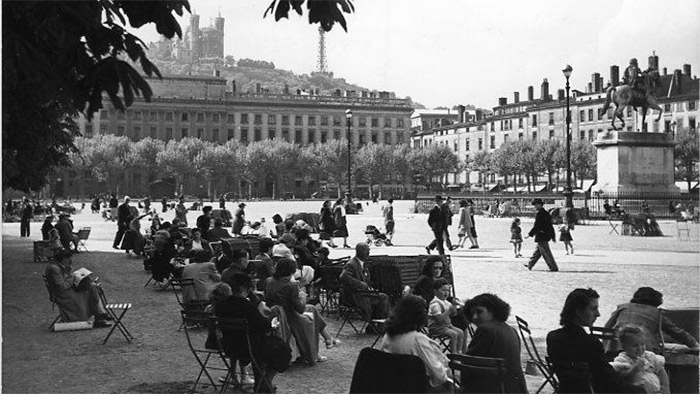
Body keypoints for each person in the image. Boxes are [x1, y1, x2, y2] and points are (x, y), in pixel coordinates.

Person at [547, 288, 645, 393]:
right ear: (579, 311)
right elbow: (609, 382)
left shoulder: (553, 337)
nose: (598, 314)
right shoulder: (589, 343)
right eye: (593, 309)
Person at [214, 275, 290, 393]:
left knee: (265, 346)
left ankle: (262, 383)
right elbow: (264, 326)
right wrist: (271, 318)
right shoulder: (246, 305)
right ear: (244, 288)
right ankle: (265, 382)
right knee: (282, 348)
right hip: (248, 347)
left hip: (229, 345)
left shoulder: (220, 305)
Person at [264, 258, 340, 365]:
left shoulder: (269, 281)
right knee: (312, 311)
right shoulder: (291, 285)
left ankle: (328, 338)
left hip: (276, 314)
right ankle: (324, 343)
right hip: (290, 316)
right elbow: (300, 309)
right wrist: (303, 298)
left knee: (312, 309)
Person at [379, 295, 452, 391]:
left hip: (393, 386)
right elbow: (439, 376)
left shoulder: (387, 336)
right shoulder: (417, 340)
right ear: (420, 315)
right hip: (417, 387)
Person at [603, 287, 699, 355]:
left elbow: (607, 327)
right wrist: (693, 343)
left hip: (614, 346)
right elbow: (675, 331)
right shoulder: (656, 312)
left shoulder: (623, 307)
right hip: (644, 349)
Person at [464, 293, 528, 393]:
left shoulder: (486, 329)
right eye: (472, 313)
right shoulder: (511, 330)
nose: (474, 317)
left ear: (493, 311)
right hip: (515, 387)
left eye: (479, 312)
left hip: (493, 387)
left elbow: (469, 362)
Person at [44, 250, 112, 327]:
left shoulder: (57, 265)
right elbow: (61, 287)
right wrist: (73, 278)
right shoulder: (54, 268)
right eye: (68, 259)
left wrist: (69, 271)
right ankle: (100, 315)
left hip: (65, 291)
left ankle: (100, 314)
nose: (70, 261)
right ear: (63, 258)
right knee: (92, 290)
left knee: (93, 287)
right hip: (63, 295)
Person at [611, 325, 670, 394]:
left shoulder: (649, 356)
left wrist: (665, 387)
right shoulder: (622, 360)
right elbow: (624, 379)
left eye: (642, 344)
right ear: (624, 346)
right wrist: (635, 368)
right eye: (635, 346)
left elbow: (661, 371)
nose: (640, 348)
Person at [339, 243, 390, 321]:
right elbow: (343, 277)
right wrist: (361, 284)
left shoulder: (362, 263)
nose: (369, 253)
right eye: (367, 251)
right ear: (360, 252)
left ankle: (377, 323)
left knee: (382, 297)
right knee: (383, 298)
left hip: (362, 293)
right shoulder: (352, 264)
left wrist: (369, 287)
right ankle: (379, 323)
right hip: (355, 296)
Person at [428, 278, 465, 354]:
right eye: (443, 290)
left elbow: (454, 314)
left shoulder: (446, 302)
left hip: (446, 326)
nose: (446, 292)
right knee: (453, 334)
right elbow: (439, 319)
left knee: (461, 332)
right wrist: (448, 311)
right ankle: (454, 354)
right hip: (436, 327)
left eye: (448, 290)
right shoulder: (435, 304)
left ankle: (459, 352)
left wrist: (454, 306)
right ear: (435, 292)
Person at [524, 198, 558, 271]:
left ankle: (553, 267)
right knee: (537, 252)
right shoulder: (546, 213)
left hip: (541, 235)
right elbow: (550, 226)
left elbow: (537, 226)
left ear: (539, 205)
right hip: (545, 235)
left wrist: (529, 234)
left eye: (536, 205)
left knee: (546, 253)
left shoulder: (539, 214)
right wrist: (552, 236)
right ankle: (530, 264)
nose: (535, 206)